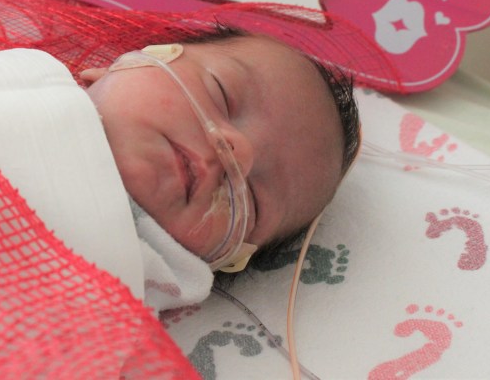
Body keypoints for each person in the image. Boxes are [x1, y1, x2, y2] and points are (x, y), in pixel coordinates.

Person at [81, 27, 360, 284]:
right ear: (116, 69)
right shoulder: (38, 83)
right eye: (221, 94)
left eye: (253, 198)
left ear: (222, 262)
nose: (238, 152)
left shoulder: (118, 307)